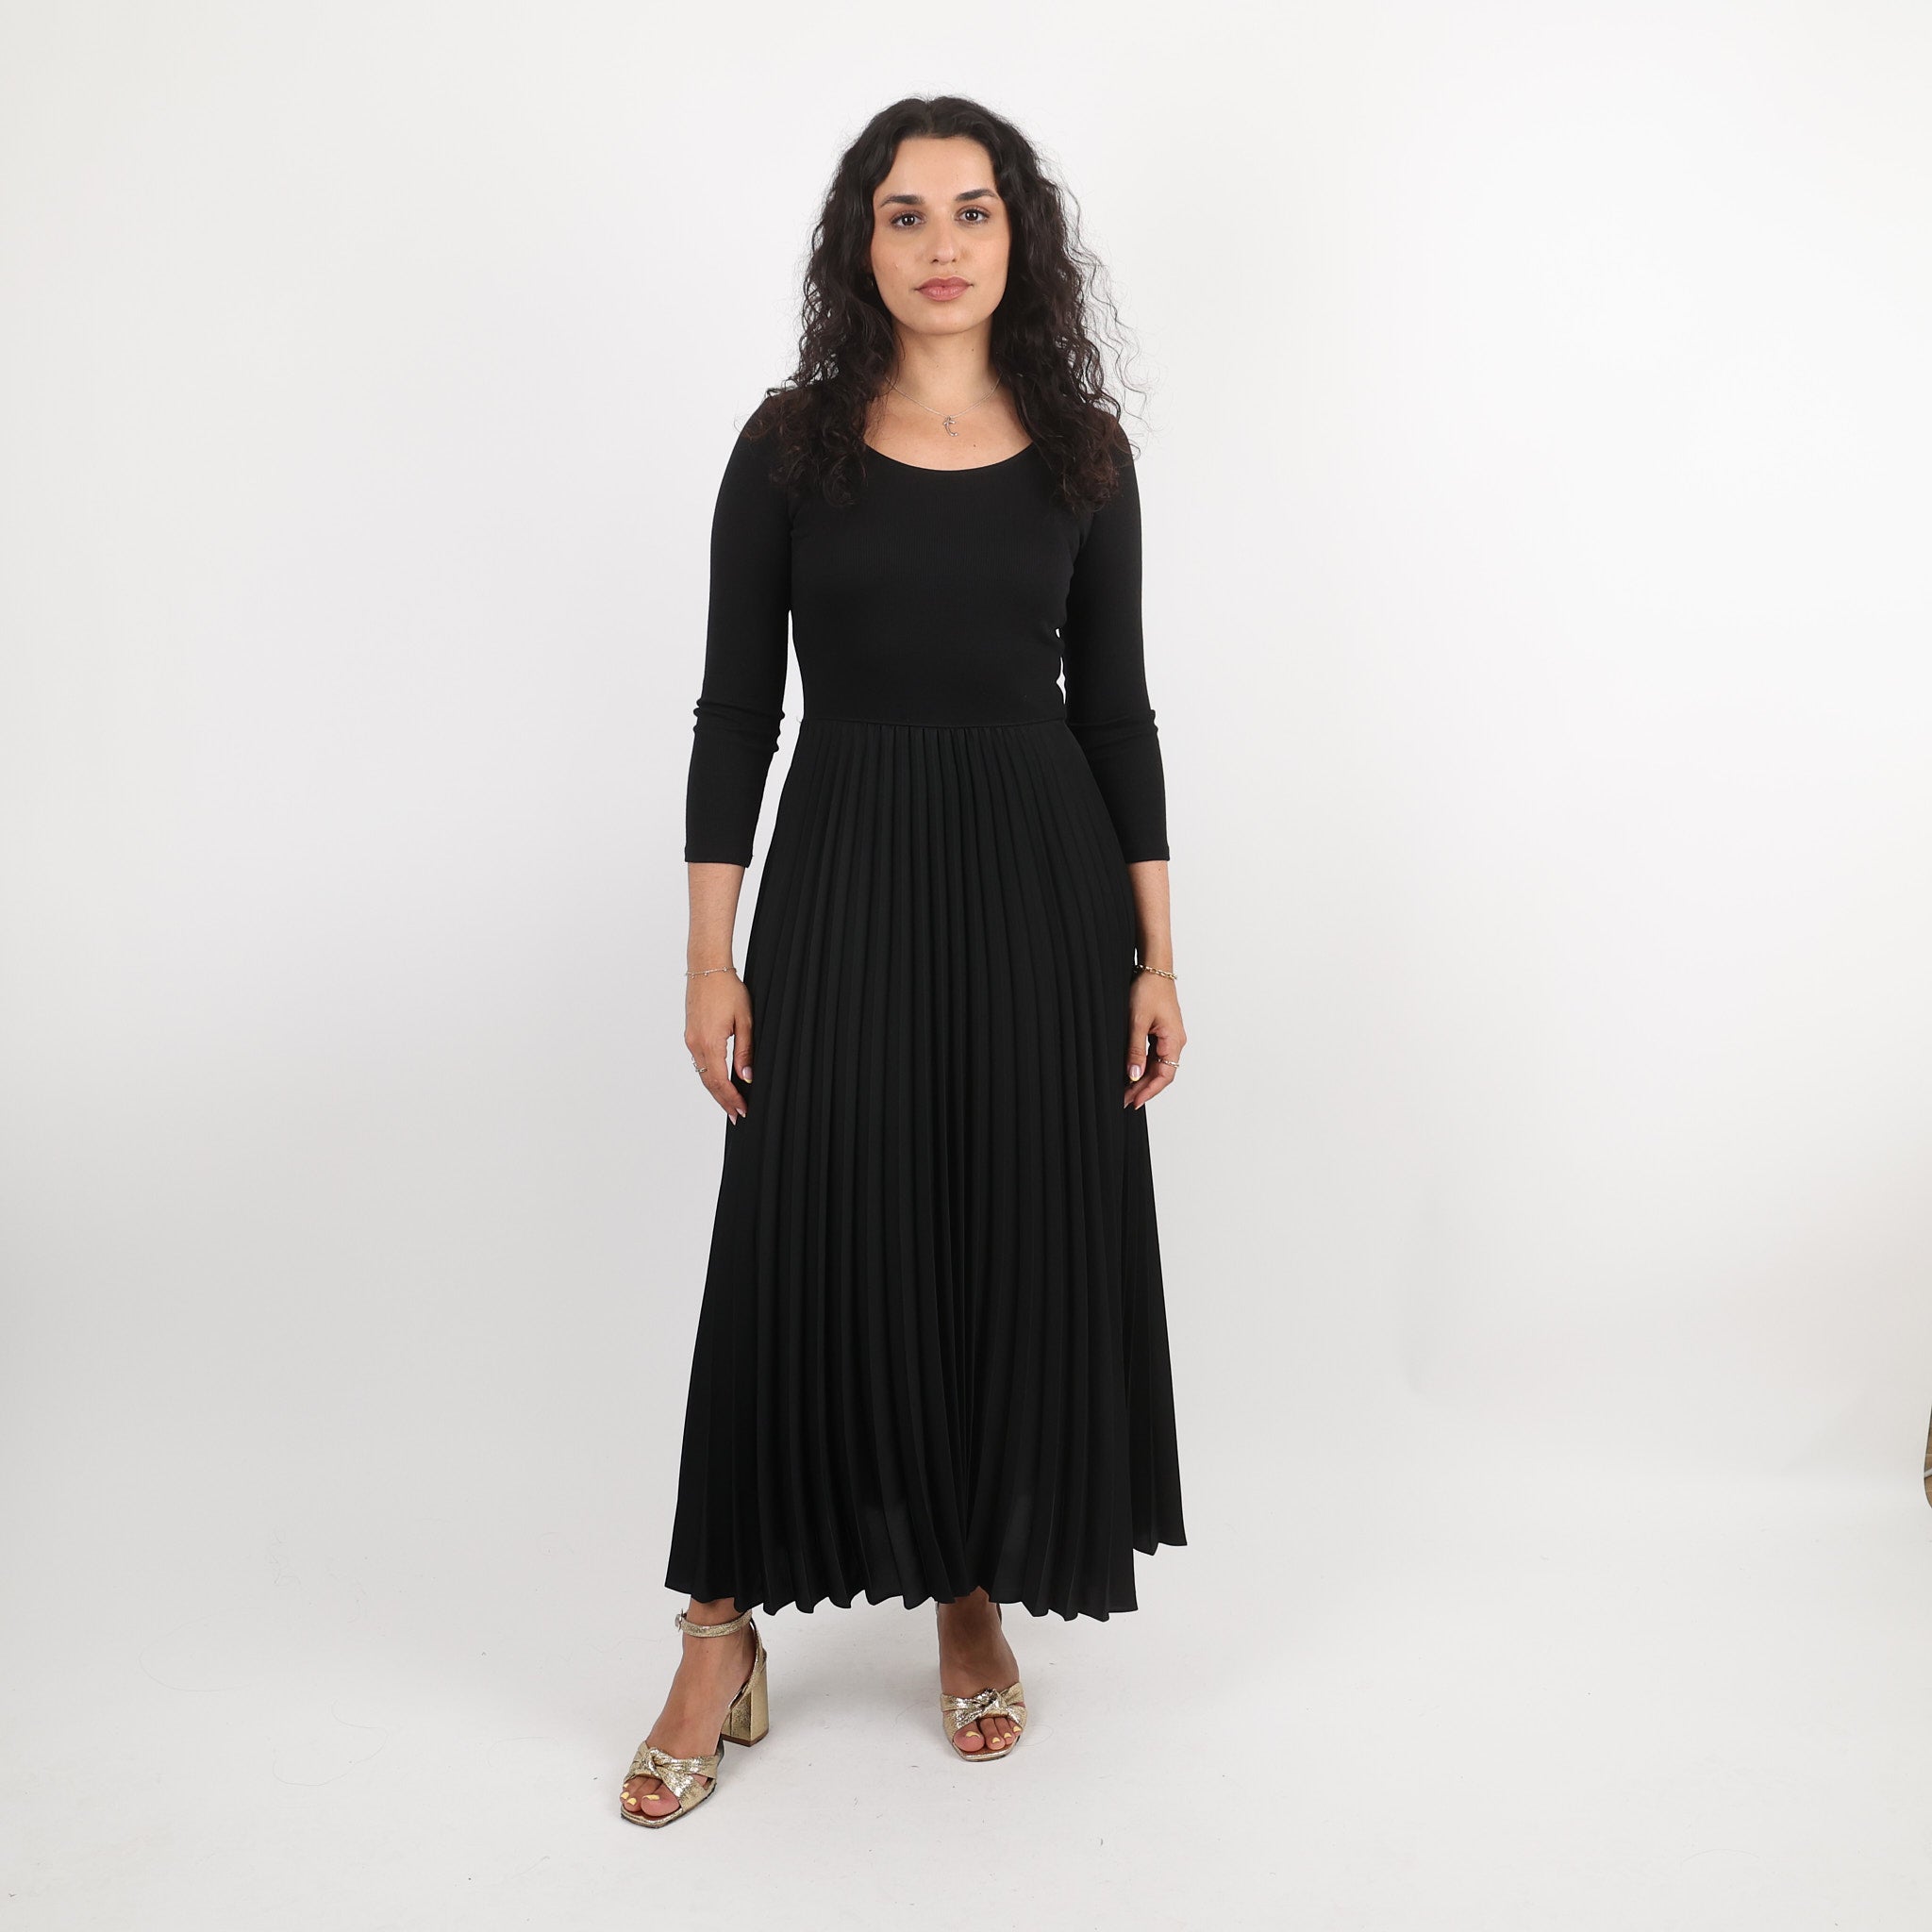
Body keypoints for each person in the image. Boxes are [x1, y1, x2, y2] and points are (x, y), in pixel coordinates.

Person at [620, 94, 1189, 1827]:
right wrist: (710, 959)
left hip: (1041, 891)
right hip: (848, 877)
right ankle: (717, 1632)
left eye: (975, 210)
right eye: (906, 213)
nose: (944, 244)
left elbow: (1118, 711)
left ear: (1022, 238)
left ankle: (969, 1588)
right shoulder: (790, 445)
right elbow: (736, 711)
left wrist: (1158, 955)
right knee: (796, 1236)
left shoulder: (1085, 449)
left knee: (1002, 1232)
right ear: (858, 244)